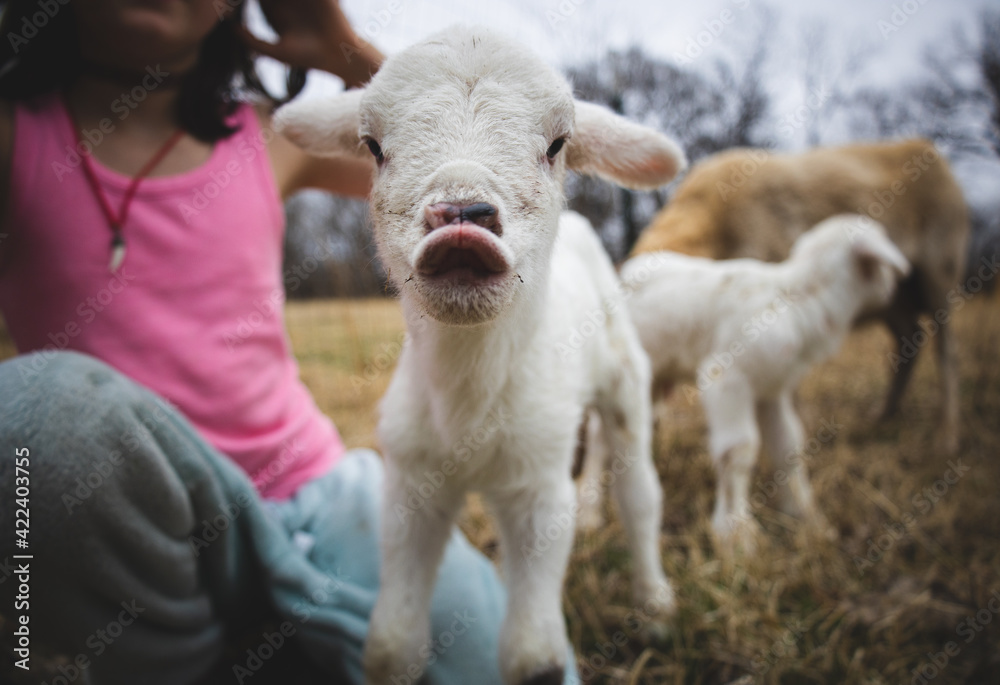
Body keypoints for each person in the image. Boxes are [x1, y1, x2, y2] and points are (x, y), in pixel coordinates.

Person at [0, 1, 577, 683]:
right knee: (34, 413)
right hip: (130, 510)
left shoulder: (268, 135)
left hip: (315, 492)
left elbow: (434, 146)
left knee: (499, 660)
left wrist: (341, 51)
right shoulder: (16, 137)